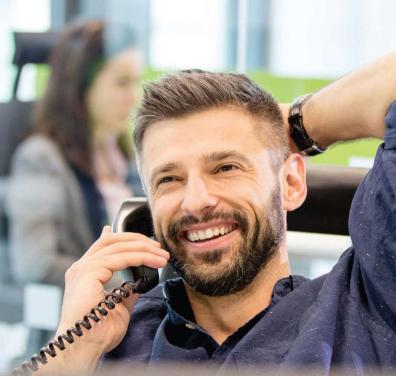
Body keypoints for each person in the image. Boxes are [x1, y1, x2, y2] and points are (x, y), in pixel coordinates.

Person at [29, 53, 396, 375]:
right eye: (169, 179)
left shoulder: (366, 305)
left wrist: (298, 125)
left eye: (225, 168)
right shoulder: (110, 338)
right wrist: (71, 353)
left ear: (290, 183)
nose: (195, 201)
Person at [5, 19, 143, 286]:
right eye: (121, 83)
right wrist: (135, 287)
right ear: (81, 87)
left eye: (135, 82)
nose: (134, 96)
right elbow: (37, 264)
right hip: (92, 314)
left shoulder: (124, 154)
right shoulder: (40, 158)